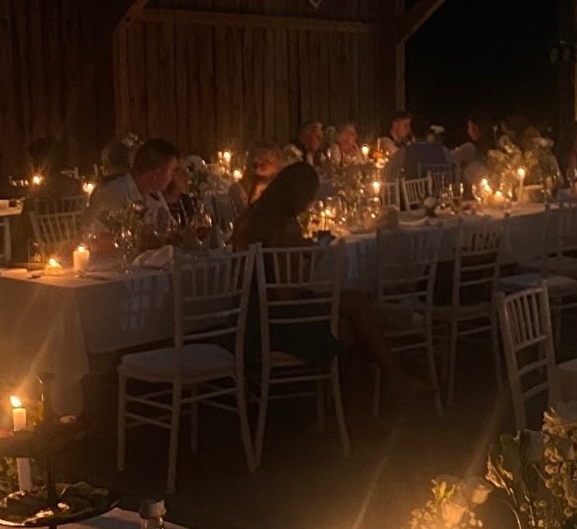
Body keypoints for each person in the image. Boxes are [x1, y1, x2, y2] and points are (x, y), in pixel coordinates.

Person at [233, 162, 428, 402]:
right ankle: (392, 377)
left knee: (351, 320)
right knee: (355, 309)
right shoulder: (285, 228)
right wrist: (311, 256)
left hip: (248, 315)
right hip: (279, 320)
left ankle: (385, 386)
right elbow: (288, 293)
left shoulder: (248, 218)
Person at [88, 137, 178, 227]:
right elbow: (96, 236)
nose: (173, 176)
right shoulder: (113, 195)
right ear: (156, 174)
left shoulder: (155, 195)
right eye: (172, 170)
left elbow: (170, 227)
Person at [383, 114, 453, 182]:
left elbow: (388, 175)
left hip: (411, 193)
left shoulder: (405, 152)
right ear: (428, 131)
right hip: (439, 192)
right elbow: (451, 173)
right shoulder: (444, 151)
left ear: (411, 131)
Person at [163, 158, 195, 227]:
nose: (186, 177)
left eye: (187, 171)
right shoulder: (156, 201)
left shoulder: (186, 201)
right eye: (181, 172)